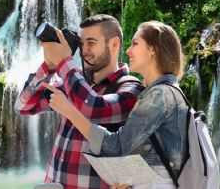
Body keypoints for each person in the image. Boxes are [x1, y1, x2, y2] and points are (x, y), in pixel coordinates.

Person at [43, 21, 187, 189]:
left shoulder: (160, 95)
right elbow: (139, 150)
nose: (127, 50)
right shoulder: (159, 92)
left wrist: (69, 110)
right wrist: (127, 178)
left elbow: (116, 146)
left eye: (135, 43)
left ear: (153, 49)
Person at [14, 14, 144, 189]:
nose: (83, 51)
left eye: (91, 43)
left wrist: (64, 62)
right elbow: (23, 106)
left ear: (114, 44)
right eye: (81, 44)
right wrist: (48, 67)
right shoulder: (73, 83)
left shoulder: (131, 88)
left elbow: (92, 108)